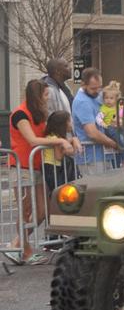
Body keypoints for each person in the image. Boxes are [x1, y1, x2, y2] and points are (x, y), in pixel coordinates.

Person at [7, 80, 75, 264]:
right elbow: (33, 140)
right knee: (26, 209)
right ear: (37, 96)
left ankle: (17, 244)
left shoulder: (40, 115)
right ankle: (24, 249)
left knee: (43, 209)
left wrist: (70, 138)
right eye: (45, 95)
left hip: (37, 166)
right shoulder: (20, 114)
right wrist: (61, 142)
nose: (47, 99)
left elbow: (49, 134)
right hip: (21, 166)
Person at [72, 68, 118, 168]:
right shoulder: (82, 102)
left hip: (102, 154)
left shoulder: (95, 96)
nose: (97, 91)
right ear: (83, 84)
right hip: (91, 157)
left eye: (99, 87)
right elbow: (92, 133)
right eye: (93, 88)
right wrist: (113, 143)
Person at [42, 111, 79, 192]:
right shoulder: (54, 139)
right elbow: (58, 156)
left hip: (56, 167)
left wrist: (73, 140)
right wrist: (68, 148)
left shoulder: (58, 138)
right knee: (58, 191)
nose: (71, 124)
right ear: (62, 124)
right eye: (69, 121)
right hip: (52, 167)